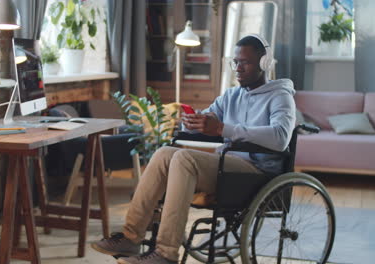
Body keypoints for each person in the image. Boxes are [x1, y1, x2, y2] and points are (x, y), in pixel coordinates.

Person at [91, 34, 296, 264]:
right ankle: (131, 237)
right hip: (228, 166)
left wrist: (222, 128)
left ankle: (166, 254)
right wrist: (189, 122)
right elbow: (207, 119)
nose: (238, 68)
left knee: (184, 159)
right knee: (164, 154)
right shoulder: (231, 96)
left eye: (245, 62)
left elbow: (280, 138)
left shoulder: (280, 96)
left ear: (264, 63)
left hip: (257, 172)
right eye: (235, 62)